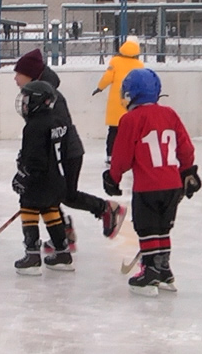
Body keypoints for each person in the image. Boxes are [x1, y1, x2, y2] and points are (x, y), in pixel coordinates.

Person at [13, 49, 125, 247]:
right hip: (59, 152)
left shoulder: (49, 98)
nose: (15, 78)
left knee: (63, 194)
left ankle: (106, 209)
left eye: (18, 73)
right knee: (54, 194)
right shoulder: (40, 95)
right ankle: (65, 233)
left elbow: (56, 131)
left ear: (30, 74)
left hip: (66, 153)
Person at [105, 69, 199, 296]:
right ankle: (164, 269)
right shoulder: (170, 114)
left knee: (147, 227)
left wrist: (112, 177)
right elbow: (185, 146)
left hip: (148, 186)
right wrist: (188, 171)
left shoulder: (130, 119)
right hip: (172, 184)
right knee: (162, 227)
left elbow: (122, 155)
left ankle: (149, 272)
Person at [11, 80, 73, 275]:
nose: (24, 104)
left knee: (28, 208)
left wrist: (22, 177)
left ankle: (32, 256)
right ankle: (63, 254)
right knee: (50, 209)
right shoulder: (57, 120)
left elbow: (35, 158)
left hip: (39, 179)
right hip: (56, 179)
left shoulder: (34, 126)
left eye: (27, 99)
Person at [92, 36, 145, 171]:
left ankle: (110, 155)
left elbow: (108, 77)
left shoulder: (115, 61)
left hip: (116, 102)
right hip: (131, 101)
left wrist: (99, 88)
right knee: (131, 132)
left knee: (113, 131)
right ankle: (132, 156)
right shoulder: (139, 65)